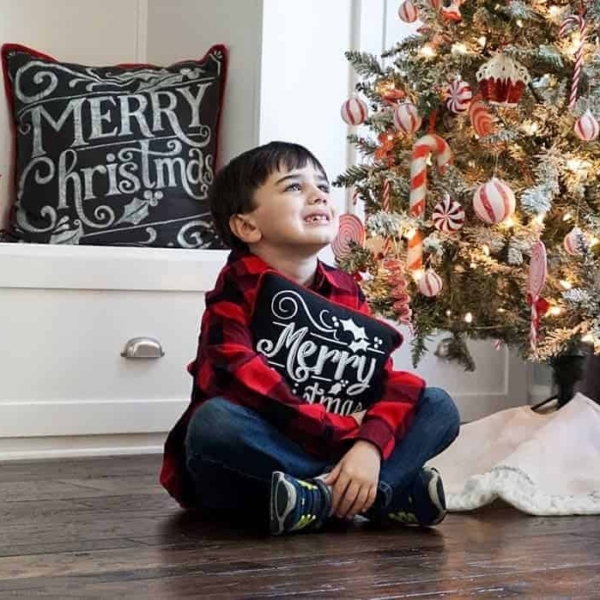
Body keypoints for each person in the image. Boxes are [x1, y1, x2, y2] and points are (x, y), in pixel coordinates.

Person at [160, 141, 460, 535]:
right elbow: (235, 379)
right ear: (247, 226)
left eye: (322, 186)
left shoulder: (346, 289)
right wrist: (345, 432)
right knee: (214, 424)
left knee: (438, 406)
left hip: (336, 444)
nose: (319, 194)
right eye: (294, 187)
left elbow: (381, 381)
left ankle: (321, 497)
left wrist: (368, 447)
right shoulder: (236, 290)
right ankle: (385, 493)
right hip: (257, 454)